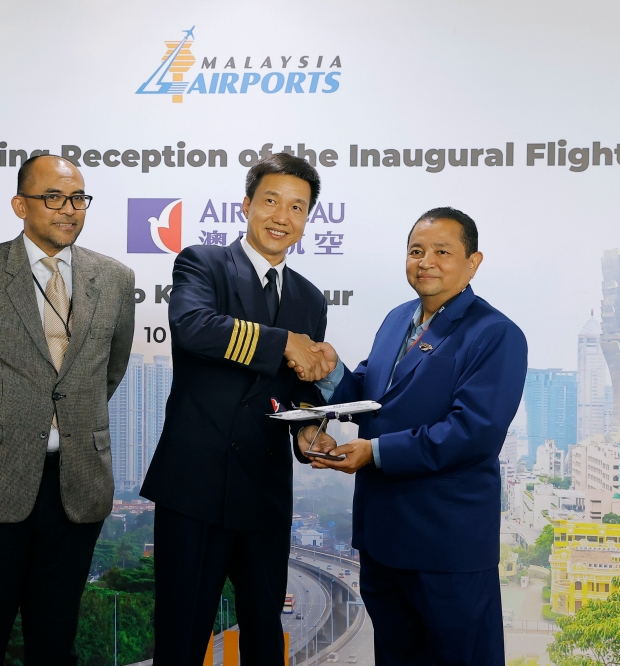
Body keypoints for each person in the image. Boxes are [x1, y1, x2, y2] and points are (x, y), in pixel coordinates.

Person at [0, 155, 135, 666]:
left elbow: (110, 370)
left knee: (55, 642)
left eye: (78, 199)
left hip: (76, 485)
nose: (69, 210)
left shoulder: (113, 278)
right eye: (54, 198)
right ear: (21, 205)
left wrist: (62, 425)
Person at [305, 207, 527, 666]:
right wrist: (329, 373)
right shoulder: (397, 318)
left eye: (442, 251)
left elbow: (474, 432)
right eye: (416, 251)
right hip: (382, 538)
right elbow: (369, 394)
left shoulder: (497, 334)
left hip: (446, 546)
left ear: (473, 262)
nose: (425, 261)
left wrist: (375, 452)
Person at [140, 153, 337, 665]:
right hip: (195, 485)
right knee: (182, 637)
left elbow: (301, 389)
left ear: (307, 220)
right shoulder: (202, 263)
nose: (281, 216)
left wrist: (309, 428)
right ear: (247, 205)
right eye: (270, 201)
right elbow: (194, 328)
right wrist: (285, 343)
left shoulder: (310, 298)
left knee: (265, 638)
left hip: (264, 491)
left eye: (297, 207)